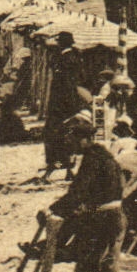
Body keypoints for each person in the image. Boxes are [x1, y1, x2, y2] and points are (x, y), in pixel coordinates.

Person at [48, 114, 126, 272]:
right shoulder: (106, 156)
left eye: (71, 140)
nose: (69, 145)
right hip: (116, 216)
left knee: (86, 269)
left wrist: (54, 209)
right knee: (110, 267)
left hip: (99, 220)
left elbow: (78, 192)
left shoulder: (92, 160)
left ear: (83, 139)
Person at [42, 32, 87, 177]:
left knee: (54, 134)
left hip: (61, 104)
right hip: (69, 104)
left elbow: (65, 85)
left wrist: (59, 105)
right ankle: (67, 168)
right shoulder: (74, 58)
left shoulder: (65, 59)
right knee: (67, 135)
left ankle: (57, 165)